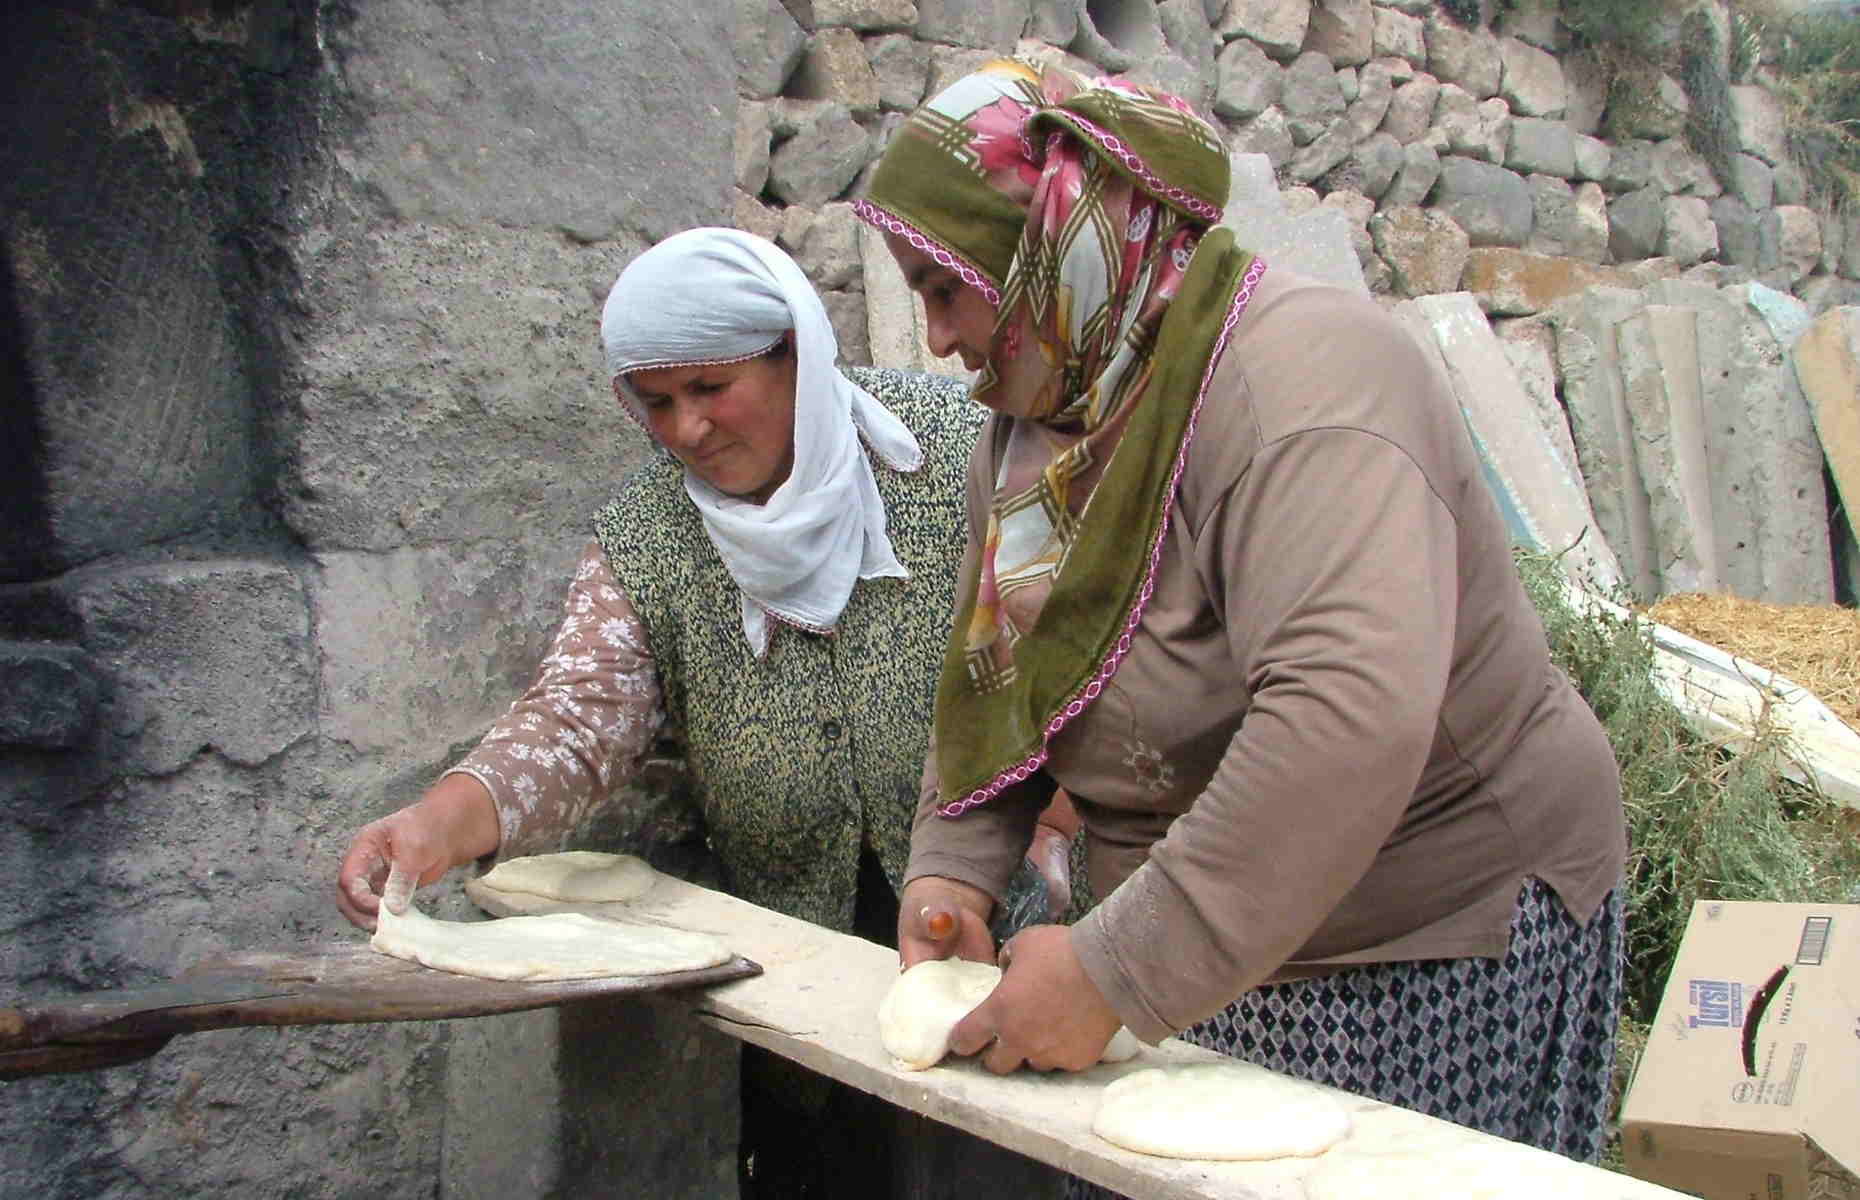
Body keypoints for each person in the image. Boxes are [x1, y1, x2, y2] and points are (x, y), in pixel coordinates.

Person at [856, 58, 1629, 1170]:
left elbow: (1346, 719)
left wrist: (1113, 973)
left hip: (1420, 935)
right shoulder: (1039, 425)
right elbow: (1008, 676)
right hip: (1200, 926)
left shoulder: (1308, 388)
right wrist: (954, 870)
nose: (933, 339)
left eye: (943, 288)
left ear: (1055, 243)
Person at [331, 227, 1072, 1197]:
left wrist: (1060, 842)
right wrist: (436, 824)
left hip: (1002, 936)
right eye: (656, 402)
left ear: (797, 355)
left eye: (711, 389)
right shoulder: (650, 533)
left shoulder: (954, 449)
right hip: (799, 976)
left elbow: (1072, 649)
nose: (686, 429)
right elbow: (579, 717)